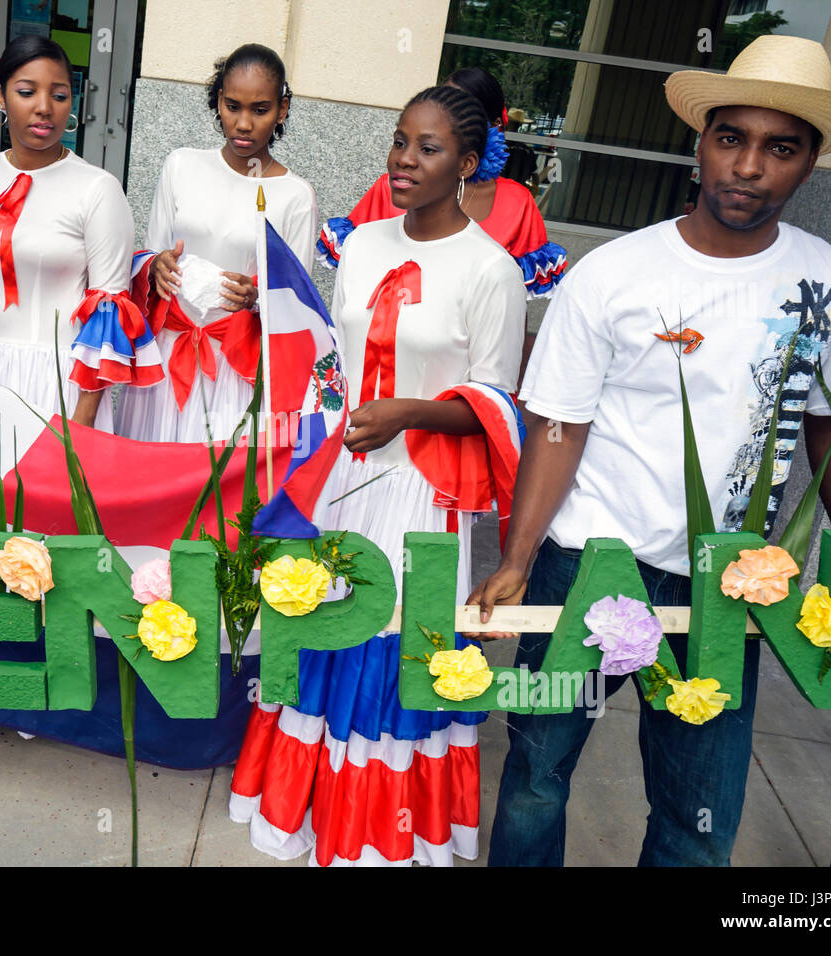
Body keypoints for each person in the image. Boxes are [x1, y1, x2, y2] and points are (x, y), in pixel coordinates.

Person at [469, 35, 831, 866]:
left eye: (781, 148)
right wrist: (518, 557)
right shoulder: (617, 273)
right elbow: (561, 423)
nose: (748, 166)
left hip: (732, 582)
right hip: (593, 560)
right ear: (700, 144)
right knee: (536, 777)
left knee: (699, 811)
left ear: (809, 166)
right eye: (730, 138)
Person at [229, 84, 526, 866]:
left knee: (395, 650)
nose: (404, 159)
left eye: (428, 148)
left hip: (425, 492)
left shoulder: (493, 271)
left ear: (467, 162)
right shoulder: (360, 244)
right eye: (400, 141)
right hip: (343, 483)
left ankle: (378, 832)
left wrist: (410, 412)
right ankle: (305, 810)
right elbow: (337, 364)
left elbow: (497, 408)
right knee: (324, 631)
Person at [0, 34, 160, 430]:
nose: (44, 108)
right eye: (27, 92)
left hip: (54, 382)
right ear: (1, 96)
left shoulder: (98, 189)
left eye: (59, 96)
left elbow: (108, 312)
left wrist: (81, 425)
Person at [115, 43, 318, 444]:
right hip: (168, 350)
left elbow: (297, 303)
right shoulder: (182, 165)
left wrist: (256, 297)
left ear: (283, 108)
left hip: (235, 366)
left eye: (260, 109)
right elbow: (148, 254)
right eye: (232, 106)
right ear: (218, 102)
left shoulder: (295, 195)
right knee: (151, 476)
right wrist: (154, 265)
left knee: (212, 489)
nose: (243, 123)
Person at [317, 67, 566, 303]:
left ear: (493, 127)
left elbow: (514, 305)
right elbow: (353, 288)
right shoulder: (393, 187)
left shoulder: (517, 203)